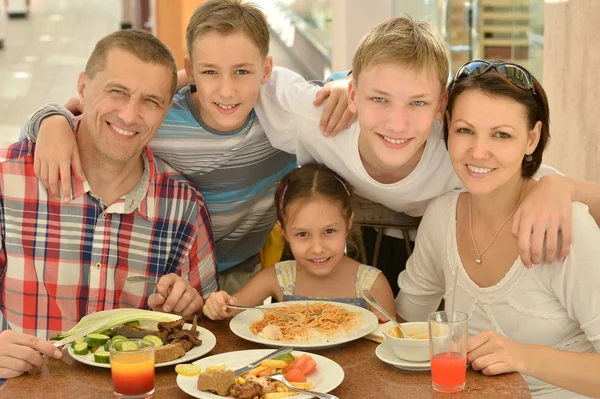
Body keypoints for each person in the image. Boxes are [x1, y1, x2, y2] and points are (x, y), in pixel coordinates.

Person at [18, 0, 352, 294]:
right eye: (210, 72)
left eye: (242, 72)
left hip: (244, 269)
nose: (226, 91)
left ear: (266, 70)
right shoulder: (157, 116)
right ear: (190, 70)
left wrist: (346, 82)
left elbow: (346, 88)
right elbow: (86, 113)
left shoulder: (282, 117)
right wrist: (51, 120)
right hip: (161, 274)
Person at [251, 16, 600, 295]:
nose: (397, 124)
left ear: (441, 106)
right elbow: (244, 78)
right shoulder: (318, 116)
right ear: (354, 96)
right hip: (332, 247)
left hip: (420, 257)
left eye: (418, 102)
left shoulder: (461, 150)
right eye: (379, 99)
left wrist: (557, 186)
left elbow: (574, 192)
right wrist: (192, 72)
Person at [0, 29, 218, 379]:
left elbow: (206, 327)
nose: (130, 116)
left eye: (151, 101)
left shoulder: (183, 206)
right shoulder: (9, 179)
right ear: (83, 88)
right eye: (117, 92)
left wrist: (190, 307)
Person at [396, 60, 600, 398]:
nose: (478, 151)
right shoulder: (442, 216)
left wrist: (524, 356)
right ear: (447, 127)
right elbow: (405, 323)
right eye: (465, 130)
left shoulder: (567, 227)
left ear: (532, 139)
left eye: (501, 135)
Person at [203, 164, 395, 321]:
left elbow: (391, 345)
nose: (318, 248)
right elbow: (230, 309)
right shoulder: (278, 278)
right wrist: (218, 305)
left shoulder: (372, 284)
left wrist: (382, 329)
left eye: (329, 231)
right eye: (302, 234)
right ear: (284, 232)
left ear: (348, 223)